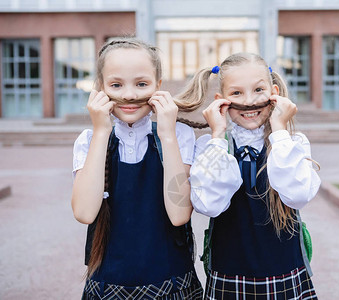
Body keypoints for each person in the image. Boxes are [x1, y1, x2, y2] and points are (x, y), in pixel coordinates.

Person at [71, 37, 204, 299]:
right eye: (116, 85)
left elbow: (179, 214)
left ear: (158, 86)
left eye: (141, 84)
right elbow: (85, 213)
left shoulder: (179, 135)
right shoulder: (89, 140)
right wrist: (100, 131)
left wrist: (167, 134)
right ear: (100, 88)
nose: (129, 95)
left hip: (172, 284)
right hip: (107, 286)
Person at [182, 53, 321, 299]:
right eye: (236, 93)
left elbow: (297, 196)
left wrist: (279, 131)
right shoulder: (211, 146)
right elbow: (209, 205)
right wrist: (218, 136)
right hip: (228, 276)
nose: (249, 102)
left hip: (286, 275)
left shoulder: (291, 144)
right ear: (221, 101)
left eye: (258, 90)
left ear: (274, 92)